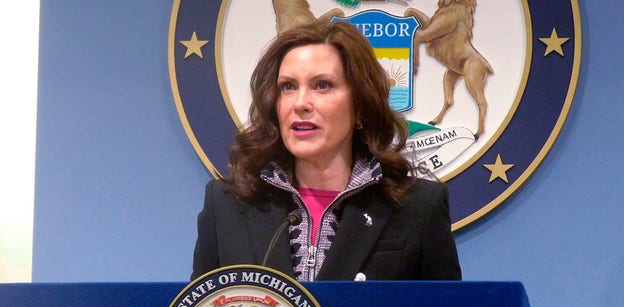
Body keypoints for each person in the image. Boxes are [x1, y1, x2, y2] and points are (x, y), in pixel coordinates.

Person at [191, 21, 461, 281]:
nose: (300, 103)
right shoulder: (227, 204)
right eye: (288, 87)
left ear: (360, 107)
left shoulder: (418, 206)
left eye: (322, 85)